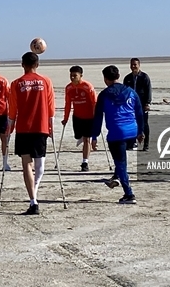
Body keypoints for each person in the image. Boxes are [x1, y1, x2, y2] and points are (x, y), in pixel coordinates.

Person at [6, 51, 55, 215]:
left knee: (27, 163)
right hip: (40, 127)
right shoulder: (45, 81)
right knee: (39, 166)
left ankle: (33, 198)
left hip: (24, 129)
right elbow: (51, 107)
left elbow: (12, 109)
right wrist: (51, 126)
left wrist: (10, 127)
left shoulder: (16, 83)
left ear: (22, 65)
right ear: (37, 64)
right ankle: (33, 198)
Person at [92, 65, 144, 204]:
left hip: (117, 133)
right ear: (118, 76)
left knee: (120, 162)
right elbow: (139, 113)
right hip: (132, 131)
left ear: (105, 78)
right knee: (120, 159)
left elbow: (98, 117)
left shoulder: (104, 95)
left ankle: (129, 194)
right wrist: (140, 131)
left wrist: (94, 136)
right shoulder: (131, 92)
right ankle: (116, 176)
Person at [62, 66, 97, 172]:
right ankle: (85, 139)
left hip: (89, 117)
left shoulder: (87, 86)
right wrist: (65, 118)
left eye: (75, 75)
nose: (72, 78)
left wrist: (96, 116)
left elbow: (94, 102)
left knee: (87, 139)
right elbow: (68, 104)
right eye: (71, 75)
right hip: (77, 117)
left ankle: (85, 162)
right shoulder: (69, 88)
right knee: (78, 136)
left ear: (81, 76)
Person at [123, 58, 153, 151]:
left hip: (142, 105)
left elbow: (148, 90)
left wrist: (147, 103)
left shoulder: (144, 77)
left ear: (139, 65)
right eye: (131, 64)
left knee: (144, 124)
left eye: (135, 65)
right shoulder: (127, 78)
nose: (133, 66)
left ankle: (146, 145)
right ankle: (131, 143)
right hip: (130, 106)